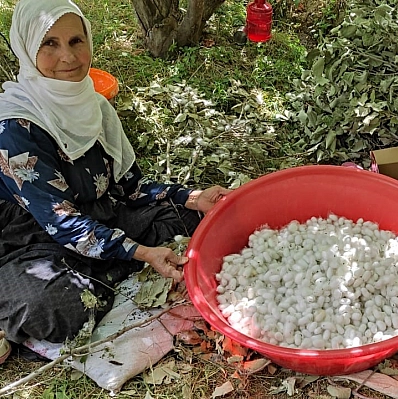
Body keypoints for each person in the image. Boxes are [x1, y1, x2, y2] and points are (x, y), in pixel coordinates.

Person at [0, 0, 231, 360]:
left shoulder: (95, 107)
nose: (68, 57)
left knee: (194, 219)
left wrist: (191, 198)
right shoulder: (15, 129)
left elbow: (130, 188)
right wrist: (140, 252)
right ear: (28, 51)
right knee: (61, 305)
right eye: (50, 44)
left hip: (100, 215)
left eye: (77, 41)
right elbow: (62, 222)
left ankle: (110, 264)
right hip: (31, 238)